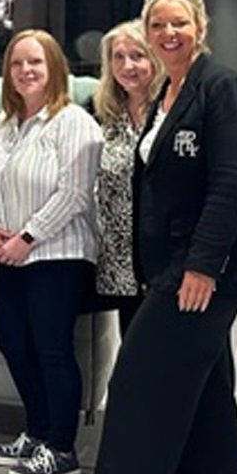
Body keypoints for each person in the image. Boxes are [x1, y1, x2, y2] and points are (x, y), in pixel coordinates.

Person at [59, 0, 237, 474]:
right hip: (171, 265)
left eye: (178, 23)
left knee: (137, 384)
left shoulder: (222, 89)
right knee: (203, 392)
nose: (167, 34)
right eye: (158, 25)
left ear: (200, 29)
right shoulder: (167, 93)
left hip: (201, 273)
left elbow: (230, 186)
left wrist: (202, 267)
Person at [0, 29, 102, 474]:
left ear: (55, 69)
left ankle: (62, 449)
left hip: (58, 255)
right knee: (14, 343)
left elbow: (76, 193)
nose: (25, 71)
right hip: (9, 255)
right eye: (16, 63)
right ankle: (38, 432)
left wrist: (28, 237)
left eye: (36, 63)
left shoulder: (74, 123)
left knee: (51, 350)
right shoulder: (2, 125)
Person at [91, 20, 161, 330]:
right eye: (118, 57)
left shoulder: (173, 109)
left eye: (137, 56)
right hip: (120, 261)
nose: (127, 65)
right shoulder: (99, 113)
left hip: (165, 256)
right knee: (133, 350)